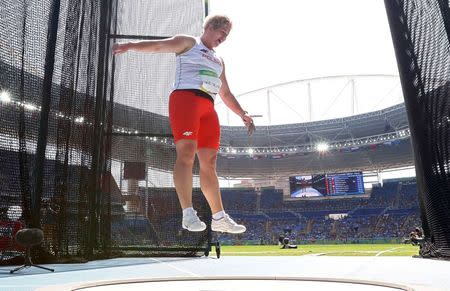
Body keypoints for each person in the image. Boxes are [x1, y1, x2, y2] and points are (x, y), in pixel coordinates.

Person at [113, 15, 254, 234]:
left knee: (210, 162)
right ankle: (188, 214)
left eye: (227, 35)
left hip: (209, 108)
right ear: (209, 27)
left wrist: (241, 113)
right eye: (221, 33)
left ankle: (219, 217)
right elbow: (159, 46)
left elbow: (225, 93)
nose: (223, 38)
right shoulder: (189, 43)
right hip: (186, 99)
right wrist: (130, 46)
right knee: (186, 153)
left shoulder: (219, 60)